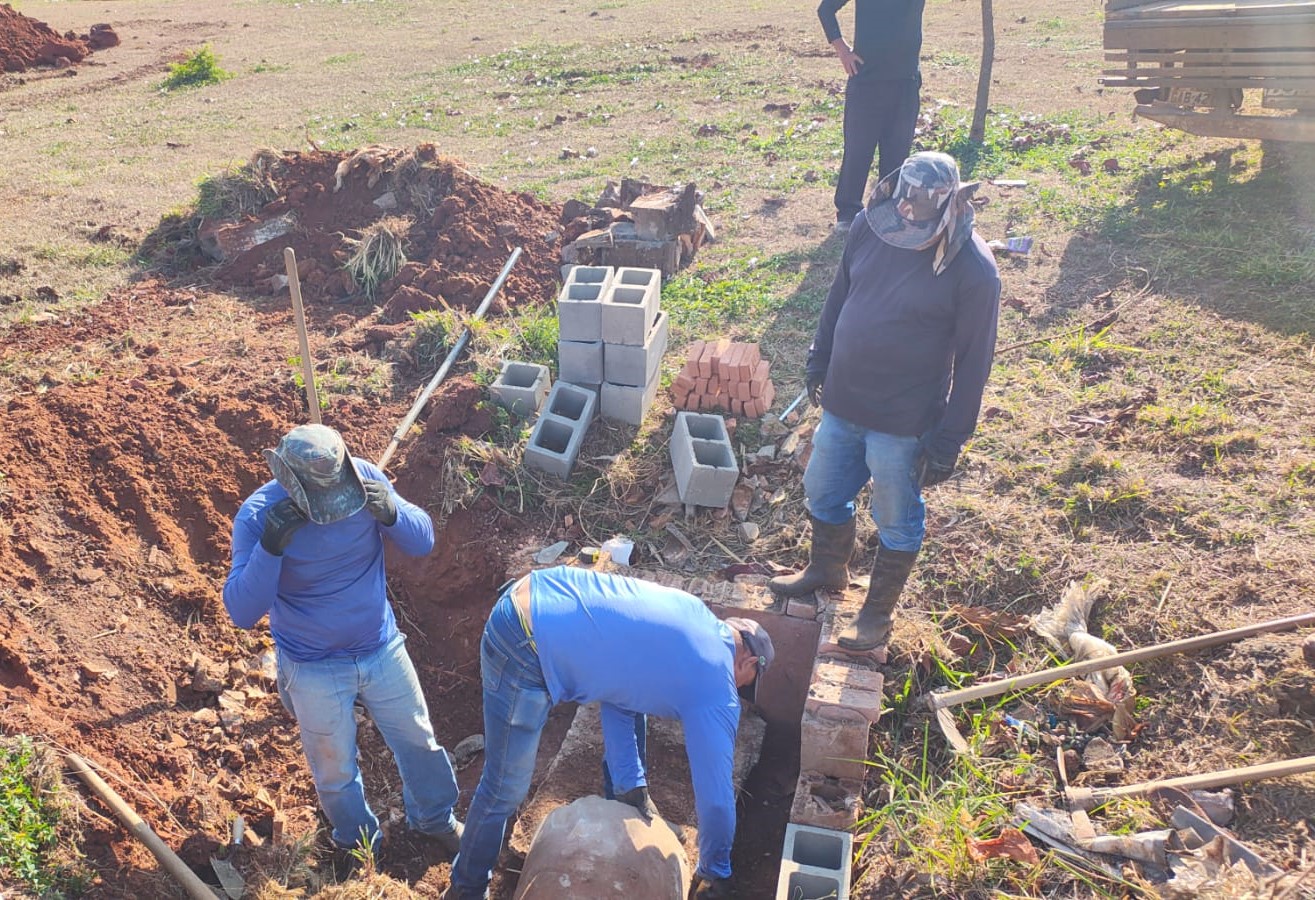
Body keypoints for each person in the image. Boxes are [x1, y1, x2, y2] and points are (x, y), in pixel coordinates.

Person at [770, 151, 1000, 654]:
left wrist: (950, 439)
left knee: (896, 519)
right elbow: (838, 298)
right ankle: (827, 567)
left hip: (902, 420)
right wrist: (819, 360)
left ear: (949, 208)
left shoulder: (974, 271)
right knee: (823, 491)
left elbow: (974, 365)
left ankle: (876, 614)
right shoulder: (872, 228)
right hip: (844, 400)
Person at [444, 565, 775, 900]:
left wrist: (630, 785)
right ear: (748, 664)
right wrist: (715, 872)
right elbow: (716, 798)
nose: (741, 692)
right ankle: (465, 890)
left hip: (539, 591)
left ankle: (623, 798)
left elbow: (622, 692)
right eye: (748, 684)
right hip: (524, 643)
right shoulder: (717, 685)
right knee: (504, 788)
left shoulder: (694, 615)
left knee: (513, 786)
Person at [222, 424, 463, 859]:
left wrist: (392, 512)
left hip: (380, 646)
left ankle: (435, 819)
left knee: (418, 741)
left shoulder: (364, 479)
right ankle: (357, 841)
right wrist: (270, 549)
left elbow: (423, 540)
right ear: (288, 481)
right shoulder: (259, 517)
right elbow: (241, 611)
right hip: (313, 664)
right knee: (334, 770)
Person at [819, 0, 927, 232]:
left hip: (905, 81)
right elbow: (825, 10)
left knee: (897, 154)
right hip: (867, 80)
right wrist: (843, 50)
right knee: (858, 151)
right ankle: (848, 214)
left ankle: (887, 210)